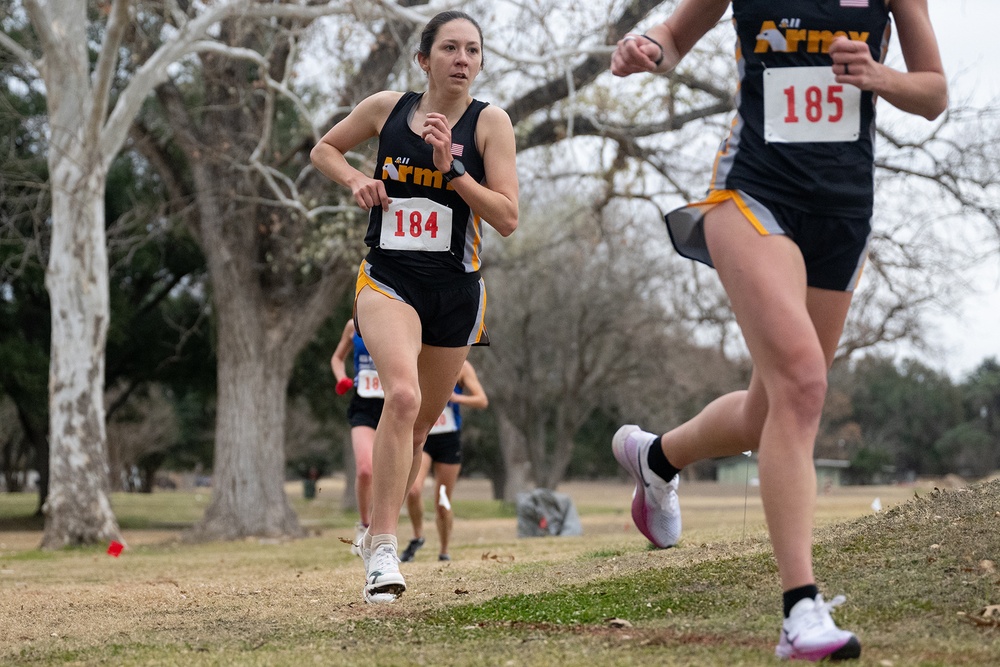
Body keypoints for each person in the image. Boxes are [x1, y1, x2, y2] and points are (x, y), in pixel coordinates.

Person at [609, 1, 945, 661]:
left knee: (774, 406)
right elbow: (676, 35)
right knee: (803, 382)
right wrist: (648, 47)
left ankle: (658, 458)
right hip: (752, 192)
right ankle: (800, 610)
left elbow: (933, 93)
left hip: (844, 211)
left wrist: (879, 76)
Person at [310, 10, 518, 604]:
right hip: (388, 279)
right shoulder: (386, 110)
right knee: (400, 396)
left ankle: (375, 531)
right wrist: (355, 180)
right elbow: (324, 150)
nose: (462, 59)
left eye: (473, 50)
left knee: (421, 421)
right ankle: (381, 549)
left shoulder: (489, 124)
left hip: (456, 291)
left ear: (480, 63)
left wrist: (451, 169)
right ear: (423, 60)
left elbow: (505, 218)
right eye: (449, 48)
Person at [400, 359, 488, 562]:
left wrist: (457, 398)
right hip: (424, 436)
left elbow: (482, 400)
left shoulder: (462, 366)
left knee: (442, 501)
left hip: (448, 440)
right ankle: (417, 537)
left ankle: (444, 550)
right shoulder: (417, 360)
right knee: (413, 490)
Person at [330, 319, 383, 556]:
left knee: (389, 473)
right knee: (365, 470)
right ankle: (364, 526)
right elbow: (337, 358)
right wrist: (341, 377)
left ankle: (383, 533)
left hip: (393, 404)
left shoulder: (401, 317)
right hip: (363, 405)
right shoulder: (353, 325)